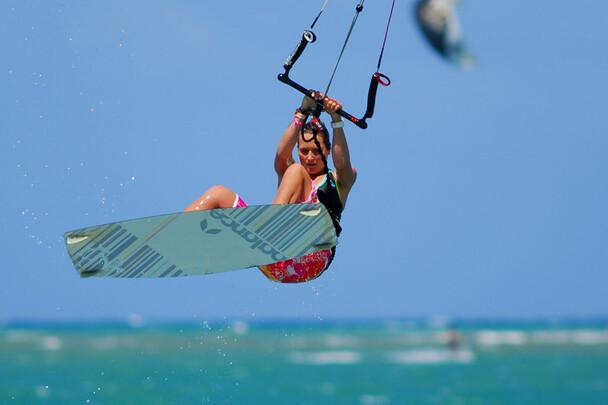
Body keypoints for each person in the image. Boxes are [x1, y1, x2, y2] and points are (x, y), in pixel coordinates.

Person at [184, 92, 356, 283]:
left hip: (310, 260)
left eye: (316, 151)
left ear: (327, 151)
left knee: (296, 171)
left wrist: (336, 120)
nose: (309, 157)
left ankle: (267, 230)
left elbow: (342, 164)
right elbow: (282, 156)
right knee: (218, 193)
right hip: (273, 262)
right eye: (304, 151)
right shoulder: (290, 174)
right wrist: (302, 112)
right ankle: (178, 235)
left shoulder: (339, 180)